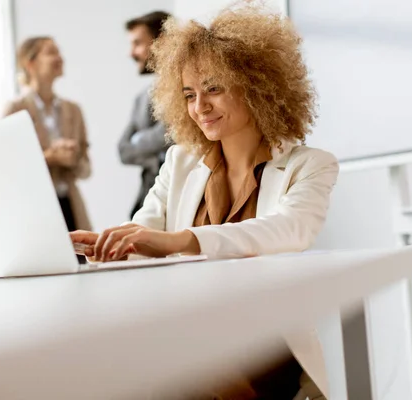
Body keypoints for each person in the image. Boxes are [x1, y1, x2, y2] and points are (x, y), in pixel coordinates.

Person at [71, 3, 338, 398]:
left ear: (256, 84)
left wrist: (183, 240)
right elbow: (145, 231)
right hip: (190, 333)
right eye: (189, 95)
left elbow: (290, 228)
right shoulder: (180, 162)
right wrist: (111, 245)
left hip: (263, 343)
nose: (200, 108)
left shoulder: (311, 165)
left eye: (214, 88)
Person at [4, 37, 92, 263]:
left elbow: (86, 170)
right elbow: (6, 169)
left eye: (59, 52)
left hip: (70, 207)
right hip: (36, 212)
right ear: (29, 63)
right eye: (51, 52)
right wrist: (49, 157)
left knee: (82, 269)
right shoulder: (15, 110)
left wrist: (72, 158)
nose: (59, 58)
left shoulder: (74, 110)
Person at [119, 11, 173, 218]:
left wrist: (139, 140)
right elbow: (123, 150)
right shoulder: (141, 98)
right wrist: (157, 157)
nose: (131, 53)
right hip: (146, 197)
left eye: (137, 43)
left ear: (162, 40)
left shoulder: (188, 88)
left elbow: (171, 134)